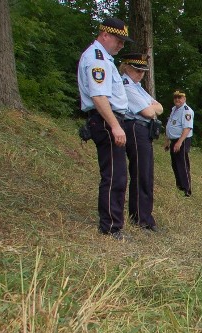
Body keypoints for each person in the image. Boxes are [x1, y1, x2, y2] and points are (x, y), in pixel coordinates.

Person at [77, 17, 134, 239]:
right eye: (118, 40)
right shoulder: (97, 59)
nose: (121, 45)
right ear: (105, 35)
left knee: (117, 174)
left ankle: (113, 223)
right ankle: (110, 226)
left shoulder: (103, 58)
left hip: (108, 120)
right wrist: (114, 126)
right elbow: (98, 96)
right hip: (106, 121)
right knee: (114, 175)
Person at [120, 54, 163, 231]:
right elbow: (147, 112)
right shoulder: (126, 85)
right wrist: (151, 109)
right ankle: (141, 217)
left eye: (143, 72)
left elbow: (159, 107)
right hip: (135, 129)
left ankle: (142, 214)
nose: (140, 74)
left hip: (144, 130)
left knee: (145, 173)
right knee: (141, 173)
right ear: (126, 67)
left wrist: (151, 109)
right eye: (137, 70)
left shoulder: (137, 87)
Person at [164, 90, 194, 196]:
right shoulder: (174, 109)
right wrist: (167, 140)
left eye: (180, 97)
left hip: (182, 140)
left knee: (183, 163)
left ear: (184, 99)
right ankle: (180, 186)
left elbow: (187, 128)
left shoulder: (186, 111)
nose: (177, 99)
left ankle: (187, 189)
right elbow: (170, 125)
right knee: (175, 163)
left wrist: (179, 142)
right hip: (174, 140)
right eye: (176, 97)